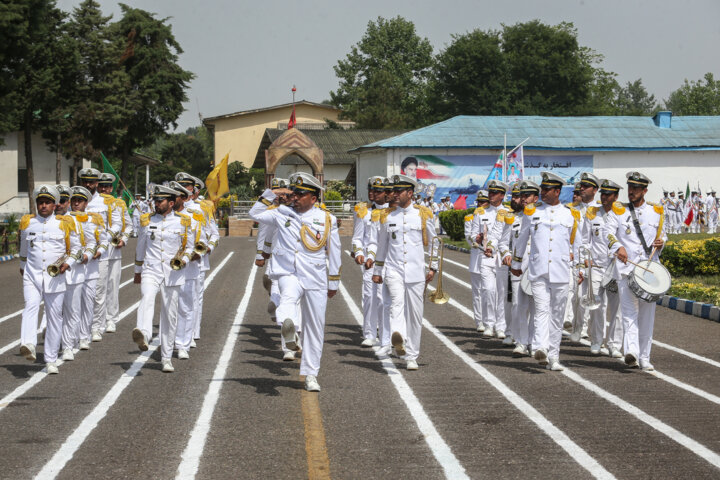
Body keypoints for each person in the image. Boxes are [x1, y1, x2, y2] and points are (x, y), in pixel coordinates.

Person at [249, 172, 341, 392]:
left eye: (301, 194)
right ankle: (289, 330)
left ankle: (310, 374)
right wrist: (273, 193)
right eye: (293, 193)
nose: (295, 197)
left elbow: (334, 250)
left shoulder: (327, 219)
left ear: (314, 197)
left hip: (315, 276)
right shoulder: (281, 213)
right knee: (287, 299)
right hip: (288, 272)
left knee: (315, 327)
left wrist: (334, 281)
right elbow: (255, 213)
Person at [511, 172, 580, 371]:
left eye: (546, 189)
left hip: (561, 271)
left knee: (557, 315)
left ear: (557, 191)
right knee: (541, 310)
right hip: (538, 269)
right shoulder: (532, 212)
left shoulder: (571, 214)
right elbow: (522, 240)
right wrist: (516, 265)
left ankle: (554, 356)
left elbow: (577, 245)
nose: (542, 192)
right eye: (542, 188)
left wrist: (580, 269)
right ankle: (540, 347)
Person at [372, 174, 439, 370]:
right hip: (394, 269)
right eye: (393, 191)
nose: (394, 194)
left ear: (410, 193)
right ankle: (398, 337)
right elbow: (382, 246)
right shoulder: (387, 216)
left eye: (399, 191)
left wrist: (433, 266)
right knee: (395, 304)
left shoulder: (423, 214)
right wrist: (378, 270)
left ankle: (411, 355)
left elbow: (434, 243)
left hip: (416, 270)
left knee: (415, 314)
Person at [604, 172, 666, 370]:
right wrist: (617, 247)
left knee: (647, 316)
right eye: (630, 187)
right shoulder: (618, 211)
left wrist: (661, 243)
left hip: (648, 270)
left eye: (636, 188)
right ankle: (631, 352)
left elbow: (663, 235)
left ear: (644, 191)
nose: (632, 191)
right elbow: (608, 232)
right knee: (629, 312)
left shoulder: (656, 211)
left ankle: (645, 357)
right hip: (626, 269)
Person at [18, 185, 82, 374]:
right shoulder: (27, 223)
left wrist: (68, 263)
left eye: (47, 202)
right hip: (32, 274)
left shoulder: (64, 223)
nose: (43, 206)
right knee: (30, 306)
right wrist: (23, 268)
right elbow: (23, 249)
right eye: (40, 202)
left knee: (55, 317)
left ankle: (51, 358)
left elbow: (76, 249)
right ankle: (28, 344)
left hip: (55, 277)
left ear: (54, 205)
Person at [132, 184, 194, 373]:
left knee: (169, 314)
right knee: (147, 297)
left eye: (161, 201)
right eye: (155, 200)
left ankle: (166, 357)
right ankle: (144, 333)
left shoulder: (183, 222)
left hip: (173, 271)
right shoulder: (146, 220)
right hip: (151, 269)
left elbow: (189, 247)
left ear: (171, 202)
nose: (157, 203)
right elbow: (140, 247)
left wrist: (183, 260)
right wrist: (137, 270)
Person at [580, 179, 624, 357]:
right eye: (603, 194)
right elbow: (585, 240)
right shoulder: (592, 214)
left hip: (616, 266)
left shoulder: (622, 214)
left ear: (616, 196)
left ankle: (614, 344)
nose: (604, 197)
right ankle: (597, 340)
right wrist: (586, 258)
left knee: (617, 307)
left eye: (608, 194)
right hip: (597, 266)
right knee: (597, 305)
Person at [60, 186, 100, 361]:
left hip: (81, 269)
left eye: (80, 201)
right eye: (73, 200)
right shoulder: (61, 219)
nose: (76, 203)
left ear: (86, 203)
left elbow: (95, 242)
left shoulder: (89, 220)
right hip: (59, 271)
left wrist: (89, 255)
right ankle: (61, 341)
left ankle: (80, 337)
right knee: (59, 310)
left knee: (81, 305)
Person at [169, 181, 207, 360]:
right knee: (170, 307)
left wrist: (197, 253)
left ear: (183, 198)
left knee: (186, 307)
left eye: (174, 196)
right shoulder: (163, 217)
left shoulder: (195, 215)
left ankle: (183, 343)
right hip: (168, 269)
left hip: (189, 268)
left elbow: (203, 240)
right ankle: (170, 342)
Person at [352, 176, 387, 347]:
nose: (373, 193)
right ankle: (370, 333)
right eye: (371, 190)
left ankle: (384, 329)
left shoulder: (393, 212)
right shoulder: (363, 211)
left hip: (390, 260)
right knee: (369, 296)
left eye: (378, 191)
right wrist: (359, 252)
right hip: (369, 260)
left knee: (384, 297)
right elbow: (357, 237)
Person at [472, 179, 510, 338]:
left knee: (501, 293)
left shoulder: (509, 212)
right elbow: (472, 235)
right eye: (490, 193)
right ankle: (489, 323)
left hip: (501, 258)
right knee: (488, 290)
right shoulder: (480, 212)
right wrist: (478, 239)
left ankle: (501, 326)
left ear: (502, 195)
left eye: (495, 193)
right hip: (485, 256)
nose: (491, 196)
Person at [96, 173, 131, 337]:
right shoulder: (91, 203)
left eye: (107, 186)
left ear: (112, 187)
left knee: (112, 286)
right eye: (101, 185)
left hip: (113, 250)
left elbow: (128, 225)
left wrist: (124, 239)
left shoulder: (119, 203)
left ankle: (111, 318)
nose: (104, 189)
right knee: (97, 287)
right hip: (95, 253)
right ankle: (97, 320)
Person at [465, 190, 489, 332]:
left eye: (483, 202)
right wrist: (476, 239)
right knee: (478, 293)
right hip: (476, 259)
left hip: (490, 258)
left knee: (490, 291)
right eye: (479, 202)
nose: (480, 204)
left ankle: (490, 320)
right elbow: (468, 238)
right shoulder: (471, 217)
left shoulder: (494, 216)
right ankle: (479, 321)